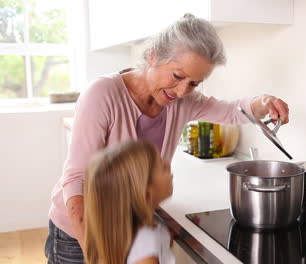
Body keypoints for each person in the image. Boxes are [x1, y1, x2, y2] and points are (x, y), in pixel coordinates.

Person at [45, 13, 290, 263]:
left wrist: (264, 102)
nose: (183, 91)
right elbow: (77, 177)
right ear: (152, 56)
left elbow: (230, 110)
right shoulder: (102, 94)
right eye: (177, 76)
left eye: (194, 83)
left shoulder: (182, 101)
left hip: (128, 228)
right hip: (79, 232)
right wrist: (96, 252)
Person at [84, 140, 174, 264]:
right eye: (163, 167)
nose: (168, 165)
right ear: (146, 194)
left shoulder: (120, 237)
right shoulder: (146, 247)